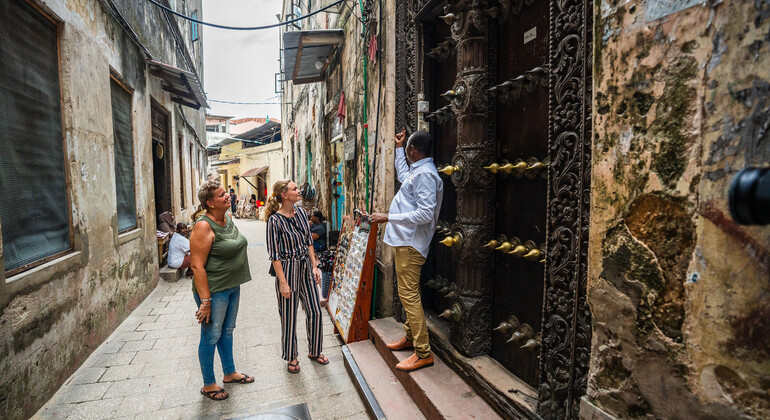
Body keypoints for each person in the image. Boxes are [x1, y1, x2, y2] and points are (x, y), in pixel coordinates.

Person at [369, 129, 443, 372]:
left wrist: (387, 217)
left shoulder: (426, 175)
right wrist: (399, 148)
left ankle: (423, 352)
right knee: (406, 293)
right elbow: (403, 174)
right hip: (405, 241)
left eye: (406, 148)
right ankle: (411, 338)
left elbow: (425, 213)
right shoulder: (418, 171)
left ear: (414, 150)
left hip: (412, 244)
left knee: (409, 295)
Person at [189, 180, 254, 401]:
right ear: (209, 202)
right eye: (222, 195)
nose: (228, 197)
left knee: (227, 331)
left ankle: (229, 372)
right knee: (211, 336)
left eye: (226, 193)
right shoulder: (203, 226)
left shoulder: (226, 218)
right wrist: (205, 301)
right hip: (214, 292)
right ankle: (208, 384)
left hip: (232, 286)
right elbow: (197, 266)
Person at [265, 179, 327, 373]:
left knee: (315, 311)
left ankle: (315, 350)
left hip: (306, 267)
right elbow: (274, 255)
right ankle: (291, 357)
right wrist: (283, 283)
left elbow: (309, 240)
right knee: (289, 316)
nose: (299, 190)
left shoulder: (300, 213)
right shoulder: (274, 221)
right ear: (284, 195)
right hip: (287, 269)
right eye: (294, 189)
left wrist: (315, 265)